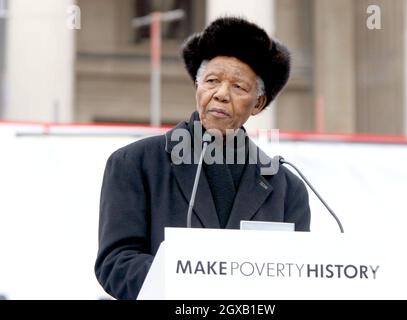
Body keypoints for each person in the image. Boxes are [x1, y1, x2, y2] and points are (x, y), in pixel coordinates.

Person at [94, 17, 311, 300]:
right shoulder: (135, 164)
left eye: (238, 87)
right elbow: (116, 262)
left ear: (258, 103)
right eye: (211, 81)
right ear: (197, 87)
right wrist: (192, 280)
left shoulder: (287, 189)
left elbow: (295, 275)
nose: (220, 94)